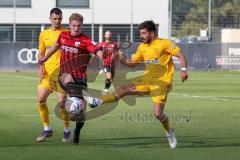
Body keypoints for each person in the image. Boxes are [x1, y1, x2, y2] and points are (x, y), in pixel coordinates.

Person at [82, 20, 188, 149]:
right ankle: (97, 101)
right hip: (147, 79)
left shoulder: (164, 43)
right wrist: (120, 57)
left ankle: (169, 131)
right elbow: (131, 63)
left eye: (144, 33)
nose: (141, 36)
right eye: (140, 33)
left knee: (158, 114)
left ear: (152, 33)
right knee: (123, 89)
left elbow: (181, 55)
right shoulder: (142, 47)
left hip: (161, 83)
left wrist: (183, 70)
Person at [38, 13, 103, 144]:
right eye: (74, 25)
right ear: (69, 25)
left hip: (80, 79)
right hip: (65, 75)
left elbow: (95, 50)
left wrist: (103, 55)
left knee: (78, 116)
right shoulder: (63, 36)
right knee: (67, 78)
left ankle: (77, 131)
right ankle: (87, 98)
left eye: (79, 26)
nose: (76, 28)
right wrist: (45, 58)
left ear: (82, 25)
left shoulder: (85, 40)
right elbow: (55, 47)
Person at [36, 8, 70, 142]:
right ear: (50, 18)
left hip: (62, 74)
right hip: (47, 74)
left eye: (59, 19)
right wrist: (41, 66)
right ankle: (47, 129)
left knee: (61, 104)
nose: (57, 21)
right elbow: (41, 52)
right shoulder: (44, 34)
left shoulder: (67, 33)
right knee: (40, 100)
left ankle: (66, 129)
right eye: (55, 18)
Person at [98, 31, 120, 95]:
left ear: (111, 35)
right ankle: (105, 90)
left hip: (112, 64)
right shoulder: (102, 44)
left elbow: (118, 52)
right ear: (105, 36)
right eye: (107, 35)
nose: (108, 36)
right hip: (105, 64)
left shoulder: (115, 44)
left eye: (109, 35)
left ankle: (105, 89)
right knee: (109, 77)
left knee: (111, 80)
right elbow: (97, 52)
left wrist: (117, 55)